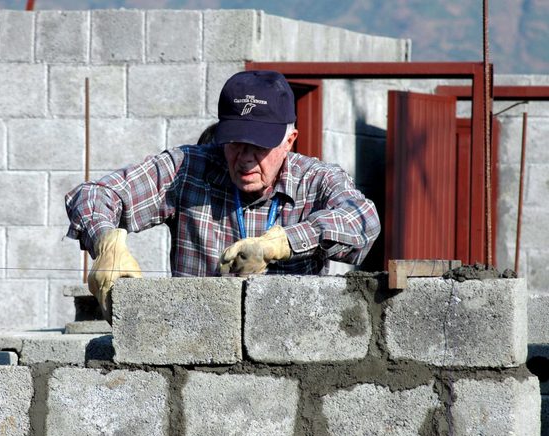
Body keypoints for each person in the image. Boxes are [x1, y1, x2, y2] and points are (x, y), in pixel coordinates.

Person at [65, 70, 380, 323]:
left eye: (260, 146)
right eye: (235, 143)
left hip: (290, 351)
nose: (245, 158)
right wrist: (106, 242)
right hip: (193, 346)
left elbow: (363, 219)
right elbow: (95, 194)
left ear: (289, 140)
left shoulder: (315, 181)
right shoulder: (188, 169)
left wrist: (282, 244)